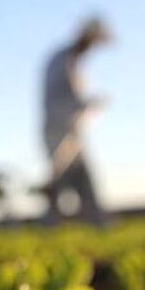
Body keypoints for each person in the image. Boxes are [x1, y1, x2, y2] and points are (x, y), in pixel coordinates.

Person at [39, 16, 112, 224]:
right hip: (58, 130)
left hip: (71, 130)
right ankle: (49, 225)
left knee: (82, 178)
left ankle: (98, 223)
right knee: (59, 180)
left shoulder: (71, 61)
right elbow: (63, 98)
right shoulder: (63, 60)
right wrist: (91, 103)